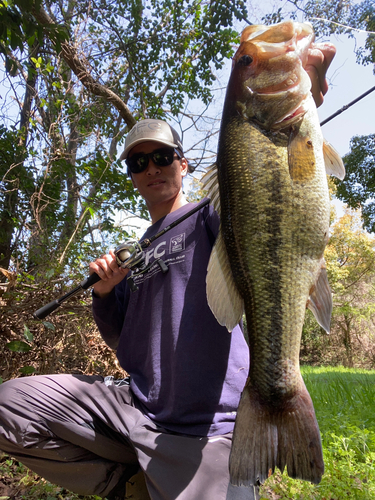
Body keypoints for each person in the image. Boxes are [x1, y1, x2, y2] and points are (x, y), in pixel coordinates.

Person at [0, 43, 336, 500]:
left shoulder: (214, 216)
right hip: (135, 406)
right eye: (138, 163)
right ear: (132, 176)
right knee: (9, 408)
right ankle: (128, 484)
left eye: (161, 156)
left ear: (183, 162)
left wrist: (305, 102)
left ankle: (199, 462)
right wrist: (104, 294)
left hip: (204, 426)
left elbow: (271, 203)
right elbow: (121, 339)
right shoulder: (135, 251)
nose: (151, 168)